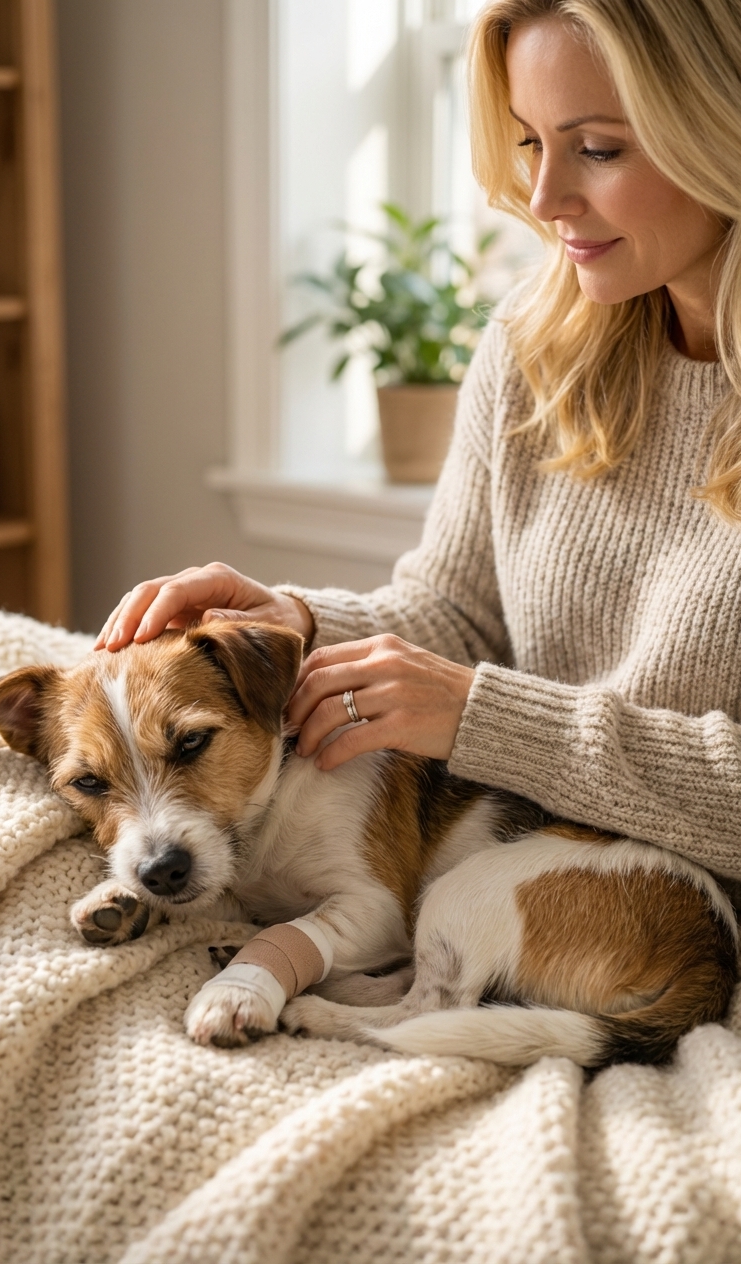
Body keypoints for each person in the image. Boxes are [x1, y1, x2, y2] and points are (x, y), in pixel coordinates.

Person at [96, 0, 741, 880]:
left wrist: (488, 720)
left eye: (597, 147)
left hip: (676, 924)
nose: (543, 198)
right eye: (528, 142)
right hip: (507, 870)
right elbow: (459, 616)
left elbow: (477, 699)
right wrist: (300, 628)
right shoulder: (536, 341)